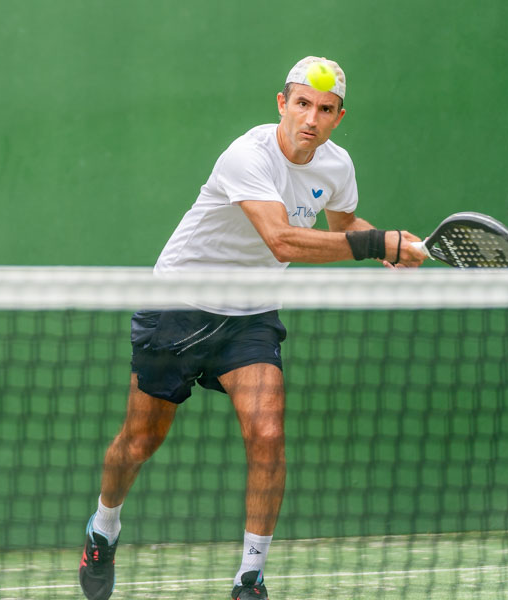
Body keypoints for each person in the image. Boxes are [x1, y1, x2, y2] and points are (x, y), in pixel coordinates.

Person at [78, 55, 427, 600]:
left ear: (338, 117)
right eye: (302, 104)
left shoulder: (337, 166)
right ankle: (103, 528)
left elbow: (345, 225)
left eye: (325, 109)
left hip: (250, 317)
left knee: (267, 435)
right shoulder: (247, 155)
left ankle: (250, 578)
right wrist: (374, 244)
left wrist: (389, 245)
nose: (311, 118)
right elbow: (281, 240)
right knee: (140, 440)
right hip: (179, 304)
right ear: (282, 103)